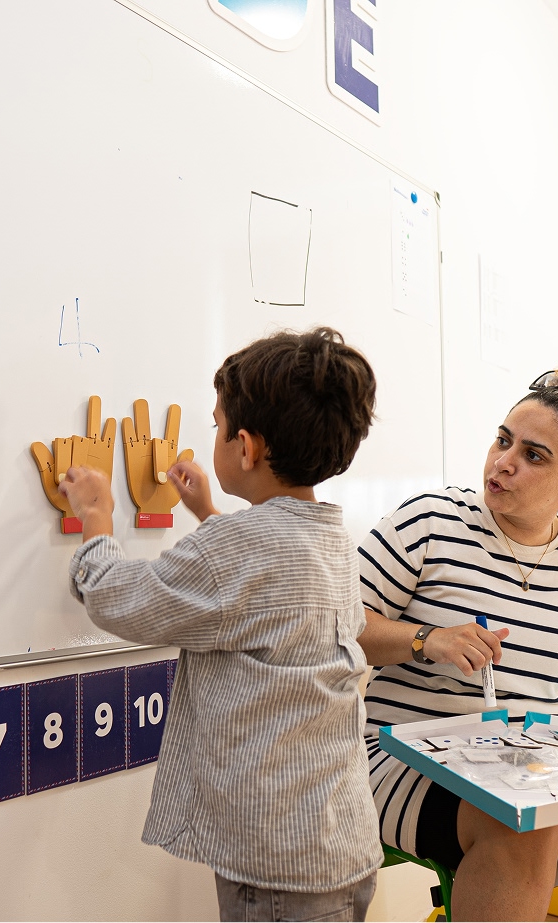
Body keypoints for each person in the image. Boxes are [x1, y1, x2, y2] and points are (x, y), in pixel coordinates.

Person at [58, 327, 383, 922]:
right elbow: (263, 594)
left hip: (277, 863)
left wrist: (97, 517)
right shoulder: (331, 539)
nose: (212, 436)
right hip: (339, 840)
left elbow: (116, 599)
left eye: (216, 425)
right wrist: (209, 514)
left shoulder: (237, 548)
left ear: (246, 447)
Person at [358, 364, 558, 922]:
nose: (503, 462)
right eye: (503, 439)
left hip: (539, 765)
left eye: (533, 455)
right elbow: (334, 627)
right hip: (401, 757)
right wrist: (426, 639)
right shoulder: (430, 520)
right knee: (524, 820)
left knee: (538, 808)